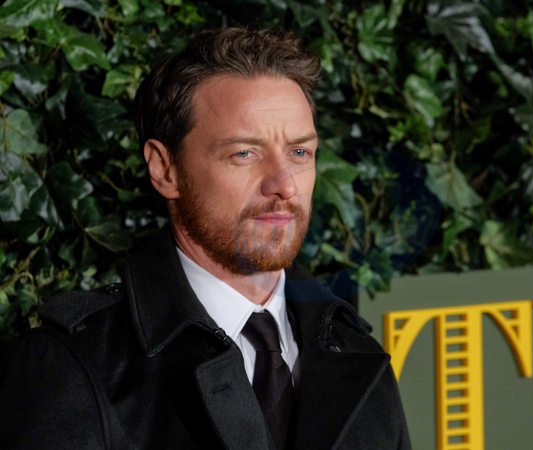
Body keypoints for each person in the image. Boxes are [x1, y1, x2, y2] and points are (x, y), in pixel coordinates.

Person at [0, 27, 411, 449]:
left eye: (299, 153)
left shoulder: (357, 352)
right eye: (244, 153)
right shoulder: (74, 365)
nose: (285, 185)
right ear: (165, 169)